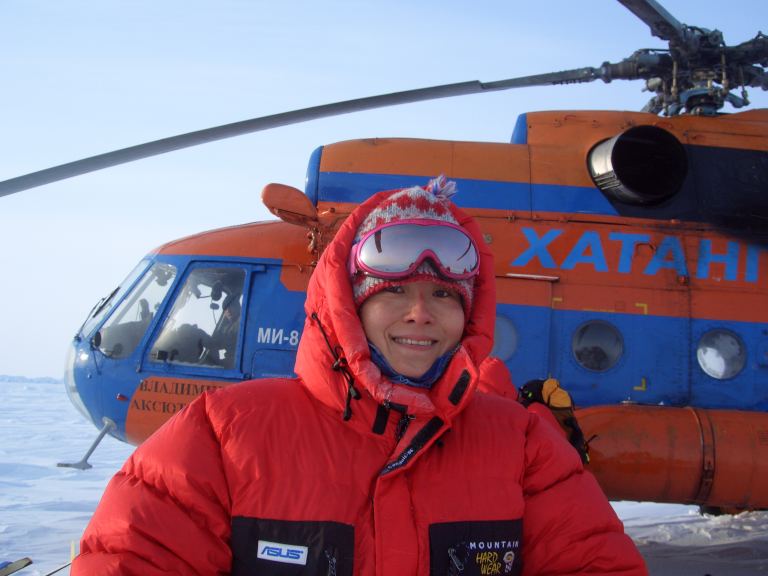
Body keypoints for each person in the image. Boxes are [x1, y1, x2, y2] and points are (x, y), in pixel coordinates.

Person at [72, 177, 647, 575]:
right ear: (348, 304)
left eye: (444, 295)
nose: (420, 313)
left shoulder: (523, 445)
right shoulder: (223, 435)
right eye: (393, 291)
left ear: (471, 312)